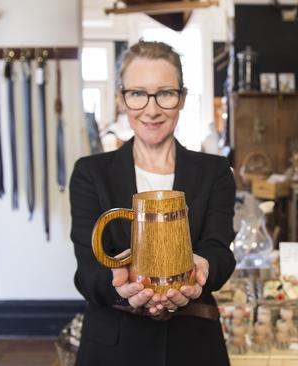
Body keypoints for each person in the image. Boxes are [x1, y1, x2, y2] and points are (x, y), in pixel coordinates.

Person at [69, 40, 236, 366]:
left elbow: (219, 252)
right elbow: (87, 271)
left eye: (165, 93)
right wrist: (123, 289)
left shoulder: (215, 172)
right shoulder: (90, 174)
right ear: (122, 98)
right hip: (113, 346)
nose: (151, 109)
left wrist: (203, 269)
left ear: (182, 98)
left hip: (194, 345)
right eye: (137, 93)